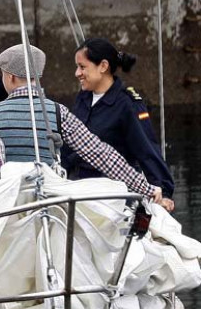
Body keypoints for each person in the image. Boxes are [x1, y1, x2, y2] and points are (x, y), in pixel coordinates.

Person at [0, 44, 164, 202]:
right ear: (38, 76)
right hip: (46, 203)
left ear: (10, 77)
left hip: (8, 203)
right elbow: (100, 154)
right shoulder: (57, 112)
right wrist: (146, 188)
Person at [64, 38, 175, 211]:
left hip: (111, 195)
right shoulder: (83, 97)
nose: (77, 73)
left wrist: (164, 192)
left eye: (82, 67)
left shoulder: (128, 104)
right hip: (76, 189)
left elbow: (147, 149)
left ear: (103, 66)